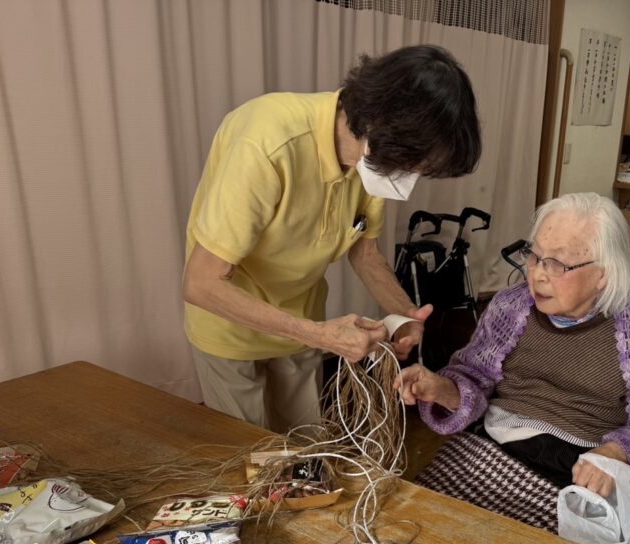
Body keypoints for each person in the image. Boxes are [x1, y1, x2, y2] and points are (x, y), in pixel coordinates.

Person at [182, 46, 481, 431]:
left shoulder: (371, 160)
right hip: (231, 326)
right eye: (412, 167)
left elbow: (364, 249)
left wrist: (404, 314)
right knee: (251, 464)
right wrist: (321, 335)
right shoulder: (267, 143)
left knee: (306, 452)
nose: (410, 182)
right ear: (380, 128)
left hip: (303, 320)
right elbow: (201, 283)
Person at [396, 192, 630, 513]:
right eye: (535, 256)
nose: (538, 274)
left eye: (557, 263)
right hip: (494, 445)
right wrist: (441, 389)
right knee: (413, 516)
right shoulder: (510, 307)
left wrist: (614, 453)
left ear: (604, 273)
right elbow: (474, 377)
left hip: (583, 465)